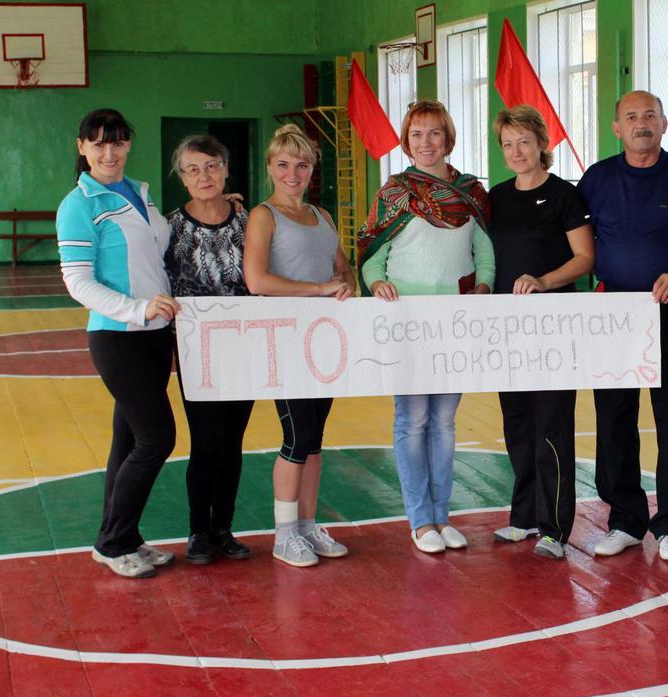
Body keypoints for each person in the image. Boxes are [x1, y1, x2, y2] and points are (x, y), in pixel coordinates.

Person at [577, 90, 668, 562]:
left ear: (664, 123)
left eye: (650, 115)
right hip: (612, 312)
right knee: (614, 417)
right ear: (617, 128)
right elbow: (577, 244)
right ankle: (625, 521)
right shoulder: (596, 179)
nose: (642, 124)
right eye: (632, 117)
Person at [357, 100, 494, 555]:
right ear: (406, 141)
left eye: (435, 133)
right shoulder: (394, 193)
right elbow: (372, 256)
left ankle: (441, 516)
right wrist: (376, 283)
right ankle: (419, 521)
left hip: (454, 321)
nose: (426, 142)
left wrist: (484, 286)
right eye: (417, 134)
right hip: (407, 322)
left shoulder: (471, 192)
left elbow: (484, 254)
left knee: (445, 422)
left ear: (448, 138)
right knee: (412, 419)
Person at [56, 108, 178, 578]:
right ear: (82, 147)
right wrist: (138, 309)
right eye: (99, 143)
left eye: (118, 142)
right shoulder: (78, 204)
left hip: (155, 337)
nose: (110, 152)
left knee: (127, 440)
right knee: (157, 438)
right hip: (118, 336)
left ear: (128, 145)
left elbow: (155, 254)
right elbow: (78, 282)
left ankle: (123, 537)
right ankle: (112, 543)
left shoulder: (139, 193)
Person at [243, 124, 356, 568]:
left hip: (323, 340)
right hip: (286, 339)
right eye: (284, 164)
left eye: (302, 165)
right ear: (270, 167)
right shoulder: (263, 215)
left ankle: (307, 527)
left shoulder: (322, 215)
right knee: (296, 437)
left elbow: (342, 267)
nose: (293, 174)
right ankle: (284, 534)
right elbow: (257, 281)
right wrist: (319, 288)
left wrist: (345, 284)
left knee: (314, 439)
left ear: (312, 169)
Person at [488, 105, 594, 560]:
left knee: (552, 424)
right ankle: (525, 516)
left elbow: (584, 258)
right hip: (507, 329)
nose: (517, 152)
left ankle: (554, 528)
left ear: (541, 144)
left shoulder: (565, 196)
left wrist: (543, 282)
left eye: (524, 142)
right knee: (517, 422)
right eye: (508, 144)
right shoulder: (495, 198)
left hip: (553, 327)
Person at [165, 135, 254, 565]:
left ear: (226, 170)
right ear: (182, 177)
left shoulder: (249, 221)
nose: (204, 176)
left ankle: (224, 528)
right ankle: (198, 530)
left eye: (212, 166)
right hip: (196, 350)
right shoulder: (169, 228)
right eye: (193, 169)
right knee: (206, 441)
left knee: (233, 441)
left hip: (245, 346)